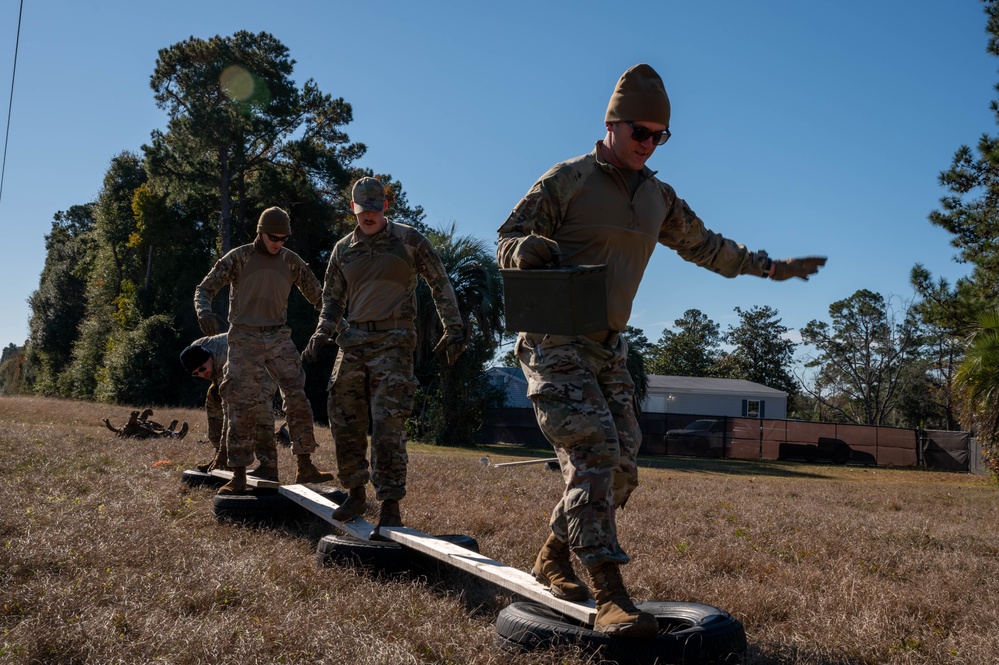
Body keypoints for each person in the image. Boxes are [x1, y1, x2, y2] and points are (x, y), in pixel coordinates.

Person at [496, 63, 826, 637]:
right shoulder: (567, 179)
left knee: (623, 465)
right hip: (554, 340)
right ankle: (610, 594)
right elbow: (506, 239)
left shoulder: (659, 197)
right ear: (611, 124)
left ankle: (553, 554)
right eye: (639, 133)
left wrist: (770, 268)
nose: (648, 145)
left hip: (607, 348)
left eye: (659, 136)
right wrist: (525, 249)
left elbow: (707, 246)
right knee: (595, 451)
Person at [304, 176, 466, 529]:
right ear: (353, 209)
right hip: (353, 340)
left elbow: (440, 282)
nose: (369, 217)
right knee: (343, 414)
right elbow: (332, 300)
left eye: (375, 210)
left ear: (385, 208)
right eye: (362, 211)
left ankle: (390, 501)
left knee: (388, 420)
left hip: (394, 340)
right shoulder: (342, 250)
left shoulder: (409, 240)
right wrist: (322, 332)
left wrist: (454, 327)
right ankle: (356, 491)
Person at [194, 206, 335, 495]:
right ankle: (238, 475)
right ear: (260, 232)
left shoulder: (290, 261)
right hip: (243, 336)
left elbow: (319, 298)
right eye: (273, 236)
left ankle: (304, 463)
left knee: (297, 394)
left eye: (284, 238)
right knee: (240, 404)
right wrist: (204, 311)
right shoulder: (239, 258)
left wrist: (337, 324)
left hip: (277, 335)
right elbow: (204, 289)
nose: (278, 242)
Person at [180, 334, 282, 481]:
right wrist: (220, 450)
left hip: (264, 367)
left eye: (203, 368)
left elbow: (230, 411)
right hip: (237, 364)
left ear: (209, 357)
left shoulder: (226, 360)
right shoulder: (196, 349)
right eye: (196, 373)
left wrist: (225, 449)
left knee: (260, 411)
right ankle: (220, 458)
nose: (203, 374)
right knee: (213, 400)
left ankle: (269, 467)